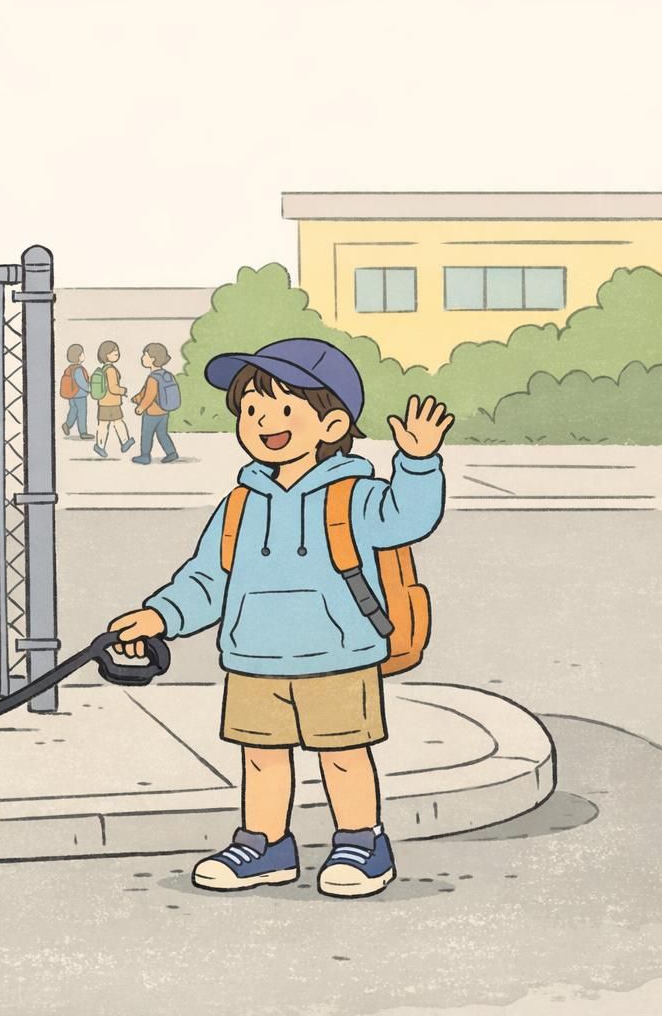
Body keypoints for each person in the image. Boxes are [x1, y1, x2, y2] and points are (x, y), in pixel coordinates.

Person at [107, 339, 452, 898]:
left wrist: (416, 463)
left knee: (343, 756)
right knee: (261, 759)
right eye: (251, 409)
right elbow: (208, 578)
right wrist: (160, 616)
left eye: (284, 408)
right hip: (253, 657)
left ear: (332, 423)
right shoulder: (240, 504)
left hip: (338, 656)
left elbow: (407, 519)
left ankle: (361, 843)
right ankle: (265, 845)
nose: (263, 421)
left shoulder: (355, 496)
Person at [130, 342, 180, 465]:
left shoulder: (153, 378)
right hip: (164, 412)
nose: (142, 358)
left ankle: (145, 456)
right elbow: (144, 392)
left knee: (147, 435)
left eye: (145, 355)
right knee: (162, 434)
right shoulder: (166, 375)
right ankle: (171, 452)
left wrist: (140, 408)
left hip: (151, 413)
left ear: (152, 359)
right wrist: (136, 398)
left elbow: (149, 396)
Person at [92, 340, 135, 458]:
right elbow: (113, 388)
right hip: (113, 403)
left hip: (103, 402)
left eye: (117, 350)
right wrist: (123, 390)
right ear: (106, 354)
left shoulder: (104, 368)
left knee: (103, 425)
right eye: (113, 351)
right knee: (118, 422)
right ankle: (124, 442)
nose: (116, 352)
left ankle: (100, 446)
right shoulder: (110, 370)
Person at [60, 344, 91, 439]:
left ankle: (67, 424)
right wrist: (90, 389)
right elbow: (82, 383)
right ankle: (83, 432)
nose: (84, 355)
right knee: (82, 412)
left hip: (72, 395)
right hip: (80, 395)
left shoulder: (70, 368)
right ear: (78, 356)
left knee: (73, 410)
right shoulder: (78, 369)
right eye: (82, 353)